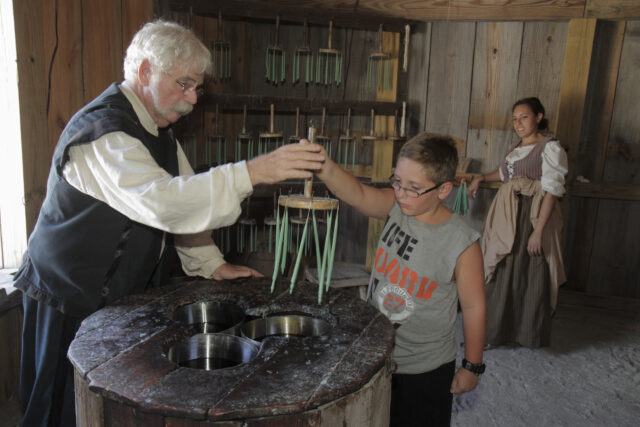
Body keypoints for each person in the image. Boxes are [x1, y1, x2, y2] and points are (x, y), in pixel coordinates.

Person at [14, 20, 324, 427]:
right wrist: (252, 171)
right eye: (184, 84)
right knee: (58, 407)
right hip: (65, 292)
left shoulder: (158, 130)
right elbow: (163, 203)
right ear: (145, 72)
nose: (192, 99)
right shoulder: (105, 134)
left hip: (115, 296)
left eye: (197, 87)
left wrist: (209, 263)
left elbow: (185, 203)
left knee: (107, 405)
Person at [313, 132, 486, 426]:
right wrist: (323, 165)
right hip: (376, 351)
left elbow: (473, 307)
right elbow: (358, 193)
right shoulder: (396, 207)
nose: (401, 193)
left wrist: (472, 365)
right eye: (397, 181)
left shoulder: (462, 243)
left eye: (413, 187)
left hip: (426, 367)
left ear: (444, 189)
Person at [467, 97, 568, 348]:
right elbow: (505, 175)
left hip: (531, 215)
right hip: (508, 213)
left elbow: (553, 191)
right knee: (501, 266)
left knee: (530, 271)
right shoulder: (514, 148)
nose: (518, 123)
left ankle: (527, 334)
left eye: (524, 117)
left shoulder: (550, 148)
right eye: (514, 118)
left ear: (539, 117)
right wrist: (481, 177)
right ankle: (494, 333)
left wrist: (538, 232)